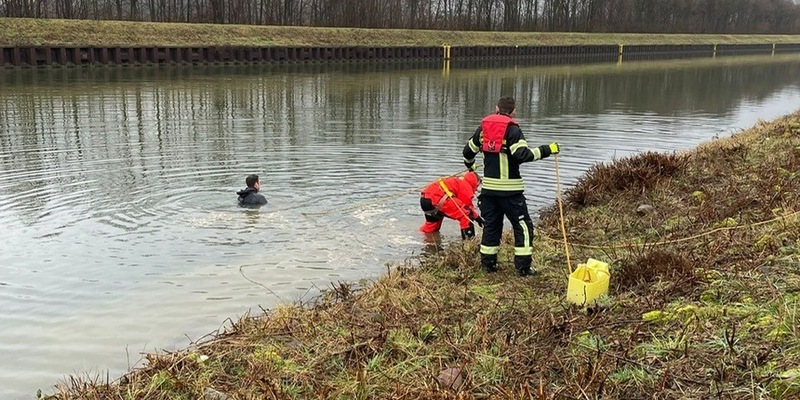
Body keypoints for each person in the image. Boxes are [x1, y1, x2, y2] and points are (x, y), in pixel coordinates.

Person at [462, 96, 560, 276]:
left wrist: (471, 166)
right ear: (513, 111)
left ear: (496, 108)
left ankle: (488, 266)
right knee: (522, 226)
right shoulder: (513, 130)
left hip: (489, 192)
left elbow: (467, 152)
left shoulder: (483, 129)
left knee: (491, 226)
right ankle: (523, 268)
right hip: (510, 192)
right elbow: (522, 155)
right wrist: (548, 149)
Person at [419, 171, 485, 240]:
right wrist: (478, 219)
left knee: (431, 227)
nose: (477, 189)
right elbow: (467, 209)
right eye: (477, 186)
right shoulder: (466, 187)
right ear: (475, 183)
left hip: (425, 200)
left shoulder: (457, 181)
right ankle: (469, 244)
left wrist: (477, 217)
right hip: (437, 199)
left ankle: (420, 239)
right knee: (466, 216)